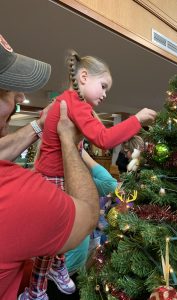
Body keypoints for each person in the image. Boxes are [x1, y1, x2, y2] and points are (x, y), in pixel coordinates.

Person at [19, 49, 157, 299]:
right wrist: (137, 119)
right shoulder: (75, 103)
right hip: (52, 179)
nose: (105, 94)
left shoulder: (69, 101)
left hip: (58, 176)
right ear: (84, 77)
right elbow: (103, 139)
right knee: (53, 237)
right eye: (103, 86)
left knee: (66, 228)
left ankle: (57, 266)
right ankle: (36, 290)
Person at [0, 34, 100, 300]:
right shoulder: (16, 192)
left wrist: (37, 126)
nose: (21, 96)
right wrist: (68, 141)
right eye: (9, 89)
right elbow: (89, 213)